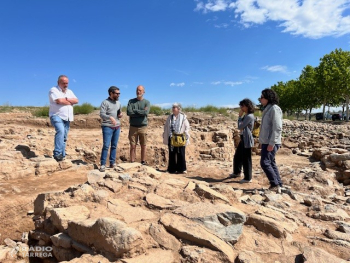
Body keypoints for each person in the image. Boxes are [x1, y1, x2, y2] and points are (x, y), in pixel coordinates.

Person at [49, 75, 78, 161]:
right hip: (56, 115)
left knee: (64, 136)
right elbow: (59, 101)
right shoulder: (53, 90)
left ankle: (62, 154)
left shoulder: (69, 91)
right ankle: (57, 153)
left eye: (67, 83)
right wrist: (70, 102)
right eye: (64, 83)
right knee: (60, 131)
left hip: (67, 117)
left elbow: (76, 100)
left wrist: (66, 99)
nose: (66, 85)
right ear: (58, 83)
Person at [259, 89, 283, 193]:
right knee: (271, 162)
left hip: (271, 142)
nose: (260, 99)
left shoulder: (274, 108)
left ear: (268, 98)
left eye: (262, 97)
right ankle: (279, 184)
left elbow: (277, 127)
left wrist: (272, 143)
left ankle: (274, 184)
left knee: (265, 162)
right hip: (267, 141)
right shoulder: (268, 109)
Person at [230, 99, 255, 183]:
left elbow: (240, 127)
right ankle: (237, 172)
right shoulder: (247, 115)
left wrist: (239, 117)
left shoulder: (249, 116)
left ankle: (248, 178)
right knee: (238, 156)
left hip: (247, 139)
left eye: (242, 106)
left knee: (246, 158)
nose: (241, 107)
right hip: (243, 138)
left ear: (247, 106)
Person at [99, 86, 123, 172]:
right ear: (111, 93)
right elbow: (102, 114)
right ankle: (103, 164)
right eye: (117, 93)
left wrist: (120, 115)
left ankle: (112, 162)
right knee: (106, 146)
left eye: (119, 93)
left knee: (114, 146)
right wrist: (110, 117)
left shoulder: (119, 103)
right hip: (107, 127)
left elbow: (119, 113)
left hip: (116, 126)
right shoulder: (105, 102)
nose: (118, 95)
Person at [163, 103, 190, 174]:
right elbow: (166, 126)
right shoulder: (170, 117)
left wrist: (186, 134)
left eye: (175, 107)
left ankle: (182, 169)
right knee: (172, 153)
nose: (173, 109)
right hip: (171, 137)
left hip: (180, 137)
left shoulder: (183, 117)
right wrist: (165, 135)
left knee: (181, 153)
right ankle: (171, 169)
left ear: (178, 109)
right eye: (173, 107)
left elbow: (187, 126)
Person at [127, 85, 150, 164]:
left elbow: (145, 112)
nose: (138, 91)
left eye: (140, 90)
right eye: (137, 90)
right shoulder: (131, 101)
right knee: (133, 145)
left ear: (144, 92)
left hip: (143, 127)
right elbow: (129, 112)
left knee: (143, 145)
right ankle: (132, 161)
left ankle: (143, 161)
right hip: (133, 127)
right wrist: (140, 112)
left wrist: (135, 111)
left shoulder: (146, 102)